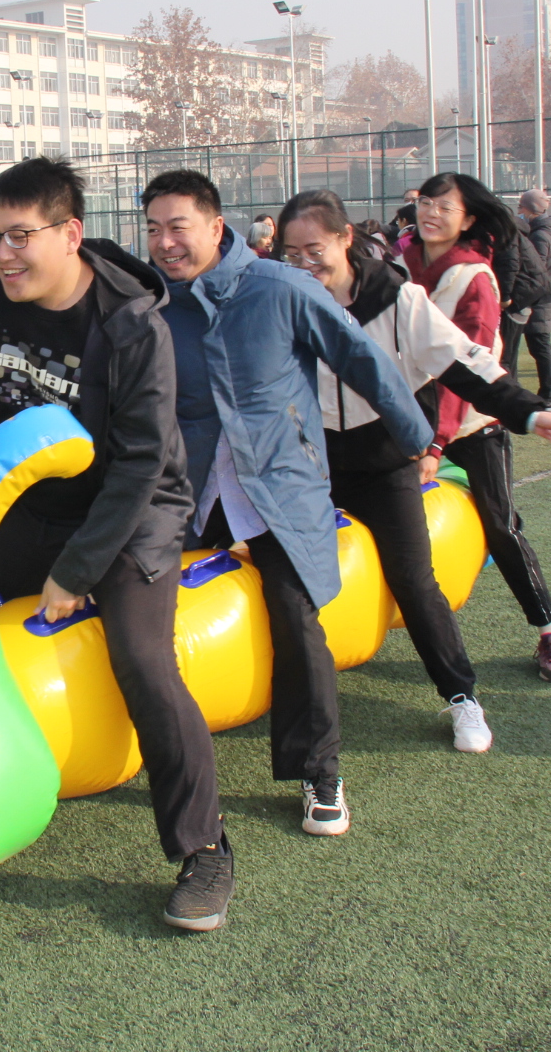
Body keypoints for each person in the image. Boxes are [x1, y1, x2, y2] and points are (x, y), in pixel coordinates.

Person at [0, 157, 232, 933]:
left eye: (20, 237)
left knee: (143, 660)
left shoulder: (131, 326)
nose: (2, 253)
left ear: (70, 234)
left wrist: (77, 570)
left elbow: (140, 464)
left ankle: (203, 848)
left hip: (131, 507)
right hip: (30, 495)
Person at [141, 171, 435, 840]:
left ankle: (319, 772)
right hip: (190, 487)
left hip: (278, 481)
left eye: (178, 227)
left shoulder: (280, 287)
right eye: (153, 229)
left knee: (295, 617)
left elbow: (361, 359)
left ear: (217, 227)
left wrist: (418, 439)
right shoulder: (152, 302)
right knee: (139, 593)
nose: (164, 242)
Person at [280, 190, 551, 770]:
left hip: (384, 465)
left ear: (345, 239)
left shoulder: (398, 300)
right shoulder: (286, 300)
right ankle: (299, 701)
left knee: (415, 582)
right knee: (291, 582)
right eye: (291, 255)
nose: (304, 264)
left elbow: (463, 362)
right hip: (312, 466)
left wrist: (527, 411)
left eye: (314, 250)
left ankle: (462, 696)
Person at [404, 173, 551, 682]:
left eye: (445, 207)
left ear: (469, 219)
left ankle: (549, 632)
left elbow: (467, 370)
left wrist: (436, 443)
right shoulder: (399, 264)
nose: (431, 213)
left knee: (502, 527)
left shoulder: (475, 277)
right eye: (426, 202)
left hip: (472, 424)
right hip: (407, 421)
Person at [502, 189, 551, 409]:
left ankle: (549, 396)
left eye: (521, 207)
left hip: (538, 300)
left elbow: (534, 271)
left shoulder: (539, 235)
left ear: (530, 209)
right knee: (539, 348)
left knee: (540, 348)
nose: (519, 211)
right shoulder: (547, 232)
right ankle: (547, 395)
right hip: (542, 298)